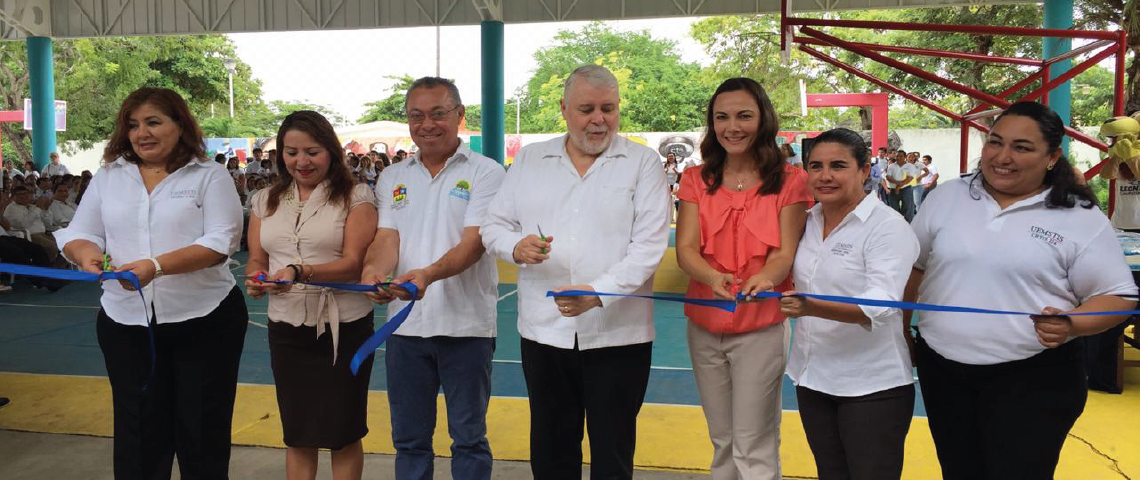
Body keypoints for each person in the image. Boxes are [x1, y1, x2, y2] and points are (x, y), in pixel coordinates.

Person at [904, 101, 1137, 480]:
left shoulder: (1077, 215)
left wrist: (1073, 323)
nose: (1003, 157)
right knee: (960, 471)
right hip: (943, 373)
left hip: (1034, 380)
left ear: (1051, 157)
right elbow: (915, 265)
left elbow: (1119, 296)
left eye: (1022, 147)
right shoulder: (948, 196)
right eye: (995, 142)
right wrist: (901, 329)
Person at [482, 65, 670, 479]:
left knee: (613, 451)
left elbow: (649, 247)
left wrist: (598, 292)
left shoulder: (642, 162)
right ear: (564, 109)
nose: (598, 119)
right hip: (544, 331)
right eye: (587, 108)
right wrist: (515, 246)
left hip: (620, 334)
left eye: (608, 108)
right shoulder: (531, 158)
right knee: (551, 448)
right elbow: (494, 226)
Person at [55, 87, 248, 480]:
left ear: (180, 125)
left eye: (153, 122)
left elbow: (220, 241)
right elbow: (78, 232)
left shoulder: (208, 174)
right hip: (126, 323)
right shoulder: (110, 176)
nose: (142, 132)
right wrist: (87, 254)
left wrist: (155, 266)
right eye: (133, 125)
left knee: (202, 434)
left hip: (205, 320)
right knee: (138, 434)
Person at [362, 76, 505, 480]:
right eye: (416, 116)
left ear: (459, 116)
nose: (427, 124)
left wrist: (426, 274)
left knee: (469, 438)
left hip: (467, 327)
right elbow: (388, 237)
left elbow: (473, 244)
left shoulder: (487, 172)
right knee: (409, 440)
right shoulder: (393, 176)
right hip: (405, 328)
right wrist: (374, 272)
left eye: (438, 114)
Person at [675, 77, 811, 480]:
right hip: (703, 327)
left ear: (763, 119)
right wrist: (713, 277)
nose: (732, 126)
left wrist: (765, 280)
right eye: (722, 117)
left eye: (743, 116)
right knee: (722, 441)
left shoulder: (791, 181)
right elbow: (686, 250)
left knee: (754, 442)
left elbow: (784, 253)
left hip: (760, 328)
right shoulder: (695, 179)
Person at [245, 110, 378, 480]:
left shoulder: (357, 195)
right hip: (286, 328)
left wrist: (300, 272)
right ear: (279, 154)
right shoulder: (264, 200)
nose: (301, 161)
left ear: (331, 152)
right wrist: (256, 278)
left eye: (312, 151)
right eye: (291, 152)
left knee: (343, 432)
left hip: (344, 328)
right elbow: (257, 258)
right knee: (298, 433)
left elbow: (353, 264)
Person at [779, 128, 917, 480]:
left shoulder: (888, 227)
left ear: (863, 168)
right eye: (815, 166)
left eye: (838, 165)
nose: (825, 176)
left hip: (871, 386)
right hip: (813, 379)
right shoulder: (806, 222)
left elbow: (881, 304)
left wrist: (812, 307)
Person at [3, 185, 58, 262]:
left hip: (45, 234)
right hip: (30, 236)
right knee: (52, 248)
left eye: (26, 193)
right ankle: (48, 270)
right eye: (20, 194)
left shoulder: (32, 206)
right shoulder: (12, 208)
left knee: (66, 245)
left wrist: (46, 209)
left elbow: (48, 223)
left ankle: (54, 268)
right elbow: (23, 225)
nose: (24, 196)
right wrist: (38, 208)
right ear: (13, 197)